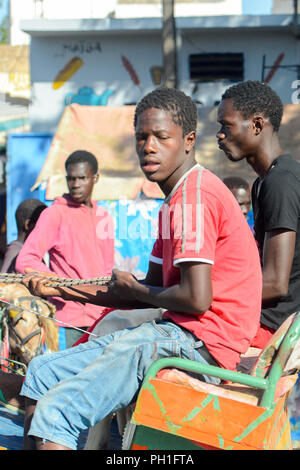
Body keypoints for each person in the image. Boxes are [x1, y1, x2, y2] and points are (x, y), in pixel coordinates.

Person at [20, 86, 262, 450]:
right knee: (40, 372)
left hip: (199, 341)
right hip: (178, 331)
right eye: (141, 137)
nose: (148, 147)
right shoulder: (173, 201)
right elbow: (146, 288)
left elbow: (196, 299)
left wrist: (134, 290)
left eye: (161, 137)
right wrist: (58, 287)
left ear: (188, 140)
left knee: (55, 413)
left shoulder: (194, 196)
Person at [217, 80, 300, 349]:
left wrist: (205, 295)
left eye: (226, 125)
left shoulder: (281, 181)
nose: (219, 134)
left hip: (270, 328)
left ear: (256, 125)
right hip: (261, 321)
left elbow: (275, 283)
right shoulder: (266, 181)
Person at [15, 150, 115, 348]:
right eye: (71, 178)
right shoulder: (55, 214)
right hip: (68, 319)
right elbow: (26, 260)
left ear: (95, 178)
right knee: (68, 378)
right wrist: (62, 285)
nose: (76, 184)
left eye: (82, 178)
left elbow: (107, 271)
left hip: (101, 318)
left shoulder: (105, 217)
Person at [1, 198, 46, 273]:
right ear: (27, 225)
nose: (45, 230)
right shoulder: (16, 252)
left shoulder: (24, 250)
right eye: (41, 225)